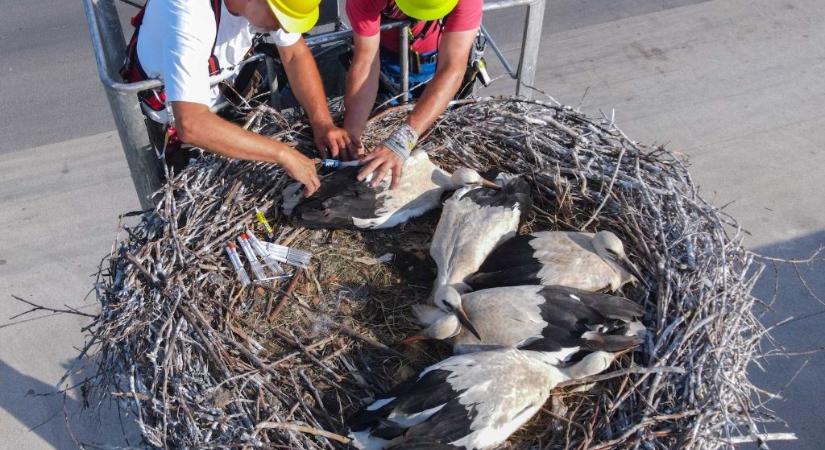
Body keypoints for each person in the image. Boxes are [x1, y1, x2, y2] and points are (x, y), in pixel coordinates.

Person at [124, 0, 354, 195]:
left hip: (221, 97)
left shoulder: (269, 7)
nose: (282, 27)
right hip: (171, 123)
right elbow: (191, 124)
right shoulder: (190, 14)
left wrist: (322, 122)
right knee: (199, 198)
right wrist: (283, 154)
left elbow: (294, 54)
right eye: (279, 18)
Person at [342, 0, 483, 189]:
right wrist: (352, 135)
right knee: (380, 126)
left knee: (435, 138)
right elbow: (366, 62)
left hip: (437, 61)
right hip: (386, 61)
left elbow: (452, 69)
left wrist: (403, 139)